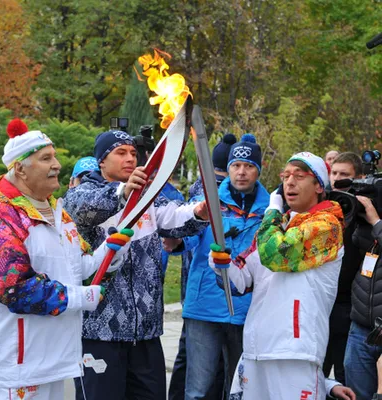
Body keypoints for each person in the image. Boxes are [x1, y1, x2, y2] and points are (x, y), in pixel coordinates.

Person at [0, 119, 129, 400]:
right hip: (16, 368)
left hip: (55, 360)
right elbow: (13, 288)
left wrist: (109, 254)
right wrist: (79, 297)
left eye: (55, 156)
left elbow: (78, 269)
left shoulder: (56, 211)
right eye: (46, 158)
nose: (57, 165)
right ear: (20, 168)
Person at [63, 129, 209, 400]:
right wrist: (122, 192)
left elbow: (175, 218)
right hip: (100, 331)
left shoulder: (147, 196)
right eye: (121, 152)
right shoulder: (83, 194)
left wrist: (199, 211)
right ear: (102, 161)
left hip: (145, 332)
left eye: (132, 152)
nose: (130, 158)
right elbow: (82, 208)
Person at [211, 151, 344, 399]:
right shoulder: (278, 225)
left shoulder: (327, 226)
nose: (289, 182)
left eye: (300, 176)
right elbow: (244, 280)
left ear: (318, 186)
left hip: (295, 352)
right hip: (256, 348)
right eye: (286, 175)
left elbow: (276, 255)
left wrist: (271, 210)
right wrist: (222, 264)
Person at [169, 134, 269, 399]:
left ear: (259, 170)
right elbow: (184, 239)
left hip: (248, 310)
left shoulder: (271, 210)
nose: (242, 172)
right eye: (236, 165)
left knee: (241, 390)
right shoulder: (208, 203)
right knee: (198, 391)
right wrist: (173, 237)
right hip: (205, 309)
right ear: (229, 167)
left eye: (249, 166)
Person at [168, 132, 237, 400]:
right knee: (197, 371)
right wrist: (177, 243)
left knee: (209, 367)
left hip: (222, 294)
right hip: (201, 294)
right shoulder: (205, 192)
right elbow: (189, 236)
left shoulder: (253, 201)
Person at [323, 152, 363, 387]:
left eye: (344, 175)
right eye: (334, 173)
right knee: (316, 372)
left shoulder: (366, 211)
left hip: (351, 307)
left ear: (358, 178)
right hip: (323, 301)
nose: (337, 179)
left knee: (344, 378)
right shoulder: (322, 207)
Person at [344, 194, 382, 400]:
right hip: (360, 326)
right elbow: (358, 242)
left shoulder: (377, 221)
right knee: (356, 395)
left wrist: (377, 222)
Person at [229, 355, 356, 400]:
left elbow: (303, 378)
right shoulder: (250, 358)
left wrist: (331, 387)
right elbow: (237, 391)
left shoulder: (296, 351)